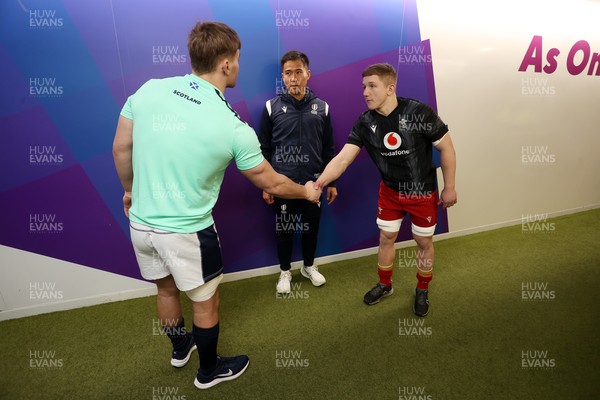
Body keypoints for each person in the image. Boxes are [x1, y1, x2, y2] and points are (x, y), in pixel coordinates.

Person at [112, 22, 322, 390]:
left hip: (141, 226)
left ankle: (181, 349)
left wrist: (130, 192)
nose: (238, 66)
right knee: (206, 301)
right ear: (226, 64)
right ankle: (208, 371)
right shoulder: (233, 127)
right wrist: (307, 193)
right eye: (237, 59)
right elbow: (271, 181)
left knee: (165, 290)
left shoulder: (149, 91)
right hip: (188, 233)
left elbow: (121, 149)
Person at [315, 63, 457, 317]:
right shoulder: (365, 121)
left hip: (421, 192)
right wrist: (318, 183)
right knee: (385, 238)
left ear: (390, 88)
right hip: (390, 193)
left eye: (372, 86)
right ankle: (385, 284)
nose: (365, 92)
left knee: (423, 241)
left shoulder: (418, 112)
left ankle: (422, 288)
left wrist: (450, 187)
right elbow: (342, 159)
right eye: (363, 87)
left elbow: (447, 148)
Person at [257, 50, 337, 294]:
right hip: (284, 184)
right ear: (283, 77)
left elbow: (329, 148)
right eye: (288, 73)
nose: (293, 78)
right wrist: (266, 185)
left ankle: (308, 267)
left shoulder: (322, 108)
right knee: (285, 231)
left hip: (314, 184)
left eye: (298, 72)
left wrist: (331, 182)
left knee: (311, 230)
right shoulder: (271, 107)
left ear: (307, 74)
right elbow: (264, 149)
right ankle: (284, 272)